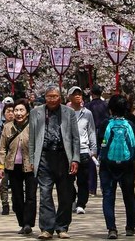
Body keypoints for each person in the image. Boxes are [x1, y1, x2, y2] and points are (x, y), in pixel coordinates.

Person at [29, 84, 80, 240]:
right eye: (49, 96)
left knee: (65, 194)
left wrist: (75, 159)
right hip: (44, 156)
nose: (51, 99)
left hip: (63, 157)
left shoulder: (69, 112)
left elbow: (75, 138)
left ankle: (62, 227)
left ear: (61, 97)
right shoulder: (35, 113)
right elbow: (32, 139)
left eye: (55, 96)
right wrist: (32, 159)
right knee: (45, 194)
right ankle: (47, 228)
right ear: (45, 97)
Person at [98, 95, 135, 240]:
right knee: (129, 195)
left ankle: (112, 229)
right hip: (127, 165)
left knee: (108, 196)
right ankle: (130, 227)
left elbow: (100, 141)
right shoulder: (131, 123)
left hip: (107, 166)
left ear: (110, 109)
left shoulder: (105, 124)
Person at [0, 99, 37, 235]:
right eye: (16, 110)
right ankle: (22, 222)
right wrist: (0, 166)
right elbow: (1, 148)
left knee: (31, 196)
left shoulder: (33, 126)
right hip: (12, 166)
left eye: (21, 110)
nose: (18, 113)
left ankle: (28, 223)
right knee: (17, 197)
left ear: (27, 112)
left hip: (30, 166)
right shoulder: (8, 127)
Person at [68, 86, 97, 215]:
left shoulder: (87, 113)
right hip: (68, 151)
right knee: (68, 179)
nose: (78, 96)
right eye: (75, 94)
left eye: (80, 94)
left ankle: (81, 203)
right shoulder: (65, 112)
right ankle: (72, 199)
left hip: (84, 150)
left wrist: (93, 149)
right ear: (69, 97)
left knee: (83, 180)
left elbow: (91, 131)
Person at [85, 84, 109, 196]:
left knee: (92, 161)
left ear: (91, 93)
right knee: (104, 160)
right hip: (104, 136)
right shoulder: (106, 105)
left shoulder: (88, 106)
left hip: (92, 136)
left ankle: (92, 188)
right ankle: (105, 186)